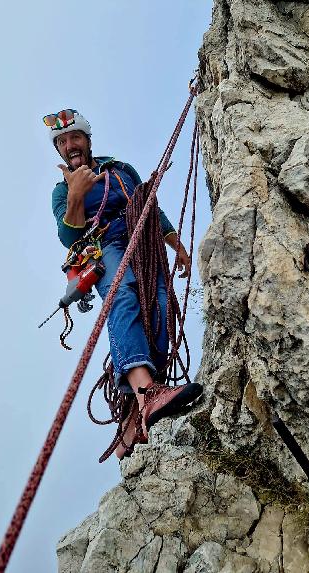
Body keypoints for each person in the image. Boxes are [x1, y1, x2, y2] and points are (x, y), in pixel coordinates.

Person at [44, 109, 203, 458]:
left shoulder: (120, 169)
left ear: (87, 141)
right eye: (62, 142)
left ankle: (138, 409)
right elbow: (67, 235)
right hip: (107, 243)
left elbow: (149, 207)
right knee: (124, 298)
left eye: (75, 138)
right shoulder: (61, 191)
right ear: (58, 150)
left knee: (161, 308)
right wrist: (76, 195)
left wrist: (178, 248)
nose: (70, 145)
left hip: (144, 239)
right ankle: (147, 393)